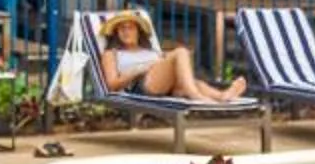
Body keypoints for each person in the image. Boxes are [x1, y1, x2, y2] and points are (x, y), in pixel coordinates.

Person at [98, 10, 245, 103]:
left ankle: (222, 96)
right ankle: (193, 95)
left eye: (130, 28)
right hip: (141, 85)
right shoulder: (111, 53)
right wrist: (139, 69)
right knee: (180, 52)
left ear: (138, 31)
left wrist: (164, 60)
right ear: (116, 33)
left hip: (162, 84)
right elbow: (112, 85)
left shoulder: (150, 51)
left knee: (194, 81)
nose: (126, 32)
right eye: (121, 29)